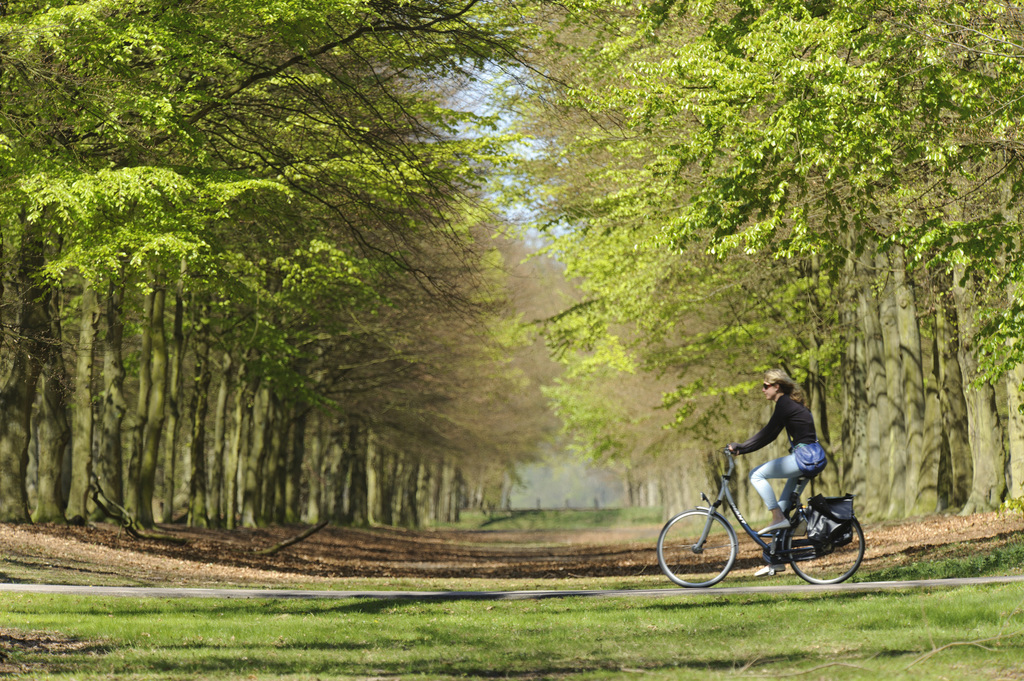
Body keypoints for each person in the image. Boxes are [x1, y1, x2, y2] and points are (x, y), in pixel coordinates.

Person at [727, 369, 826, 575]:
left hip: (804, 458)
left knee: (756, 474)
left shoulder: (784, 404)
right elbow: (770, 434)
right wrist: (744, 447)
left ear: (776, 386)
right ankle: (776, 561)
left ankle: (777, 516)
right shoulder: (790, 403)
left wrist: (741, 448)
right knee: (784, 507)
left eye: (765, 386)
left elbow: (768, 434)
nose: (762, 390)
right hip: (810, 458)